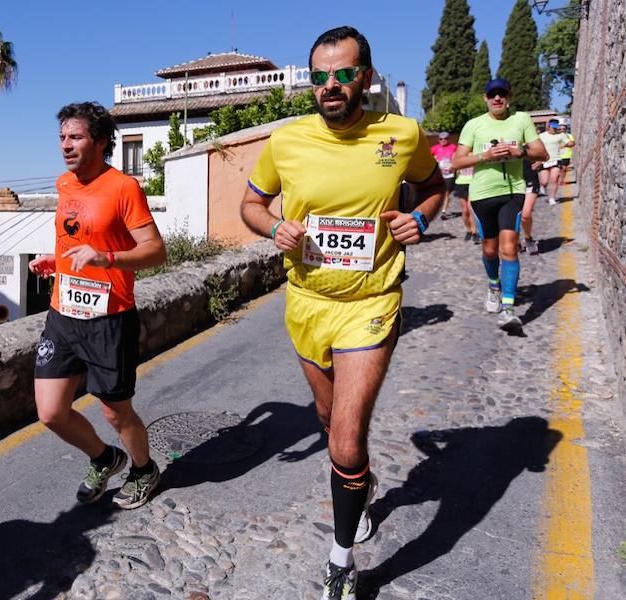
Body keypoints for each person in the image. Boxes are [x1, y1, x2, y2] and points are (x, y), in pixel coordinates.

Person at [239, 26, 445, 600]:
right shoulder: (286, 141)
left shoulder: (401, 135)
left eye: (343, 74)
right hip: (307, 303)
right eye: (320, 77)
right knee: (329, 423)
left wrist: (420, 219)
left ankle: (341, 559)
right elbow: (251, 205)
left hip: (372, 303)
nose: (330, 86)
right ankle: (360, 484)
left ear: (367, 77)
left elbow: (434, 184)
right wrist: (275, 226)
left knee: (347, 438)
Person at [29, 101, 167, 510]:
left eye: (76, 137)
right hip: (63, 313)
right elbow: (76, 241)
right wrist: (56, 262)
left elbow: (156, 252)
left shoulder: (124, 188)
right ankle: (106, 458)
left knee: (115, 413)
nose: (66, 146)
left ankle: (144, 469)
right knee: (51, 412)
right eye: (62, 138)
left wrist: (109, 259)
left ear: (102, 141)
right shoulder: (64, 185)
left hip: (109, 317)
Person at [451, 78, 548, 331]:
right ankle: (493, 285)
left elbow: (543, 153)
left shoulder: (521, 120)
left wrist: (520, 153)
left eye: (501, 94)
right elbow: (456, 162)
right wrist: (485, 156)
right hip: (483, 196)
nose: (497, 99)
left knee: (509, 250)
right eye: (492, 94)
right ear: (485, 98)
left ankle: (508, 308)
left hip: (512, 193)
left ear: (509, 95)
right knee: (490, 251)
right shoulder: (474, 125)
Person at [538, 119, 567, 204]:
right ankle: (543, 186)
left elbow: (571, 142)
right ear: (549, 126)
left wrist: (566, 144)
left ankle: (552, 198)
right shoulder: (541, 136)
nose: (554, 129)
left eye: (556, 127)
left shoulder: (561, 135)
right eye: (553, 127)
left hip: (556, 160)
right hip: (544, 160)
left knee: (554, 179)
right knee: (544, 181)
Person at [430, 131, 457, 220]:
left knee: (446, 193)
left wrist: (453, 166)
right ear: (438, 139)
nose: (443, 140)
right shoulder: (435, 148)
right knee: (436, 192)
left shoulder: (453, 147)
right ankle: (434, 210)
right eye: (441, 139)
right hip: (438, 174)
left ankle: (443, 211)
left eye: (445, 138)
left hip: (449, 174)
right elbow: (428, 158)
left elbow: (457, 158)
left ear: (448, 139)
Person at [452, 165, 480, 243]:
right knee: (465, 210)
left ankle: (474, 232)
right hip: (460, 183)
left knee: (470, 208)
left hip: (472, 183)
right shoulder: (458, 155)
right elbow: (452, 167)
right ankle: (468, 230)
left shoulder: (473, 155)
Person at [520, 158, 542, 255]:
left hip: (530, 180)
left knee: (525, 214)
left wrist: (541, 160)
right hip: (509, 183)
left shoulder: (528, 143)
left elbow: (543, 152)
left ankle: (528, 238)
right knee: (512, 215)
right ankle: (514, 241)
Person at [557, 121, 575, 189]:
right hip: (557, 155)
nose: (562, 130)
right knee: (558, 169)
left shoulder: (569, 136)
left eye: (563, 129)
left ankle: (562, 181)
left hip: (566, 155)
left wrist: (565, 145)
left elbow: (572, 143)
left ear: (566, 129)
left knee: (564, 169)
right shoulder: (556, 136)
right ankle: (557, 180)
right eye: (560, 129)